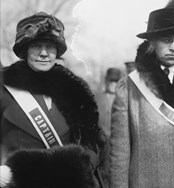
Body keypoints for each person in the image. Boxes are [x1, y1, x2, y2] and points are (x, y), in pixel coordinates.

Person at [0, 12, 109, 188]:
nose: (44, 53)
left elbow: (94, 142)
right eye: (36, 46)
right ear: (25, 50)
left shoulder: (77, 91)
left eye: (50, 46)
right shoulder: (4, 88)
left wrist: (81, 167)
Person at [109, 0, 174, 187]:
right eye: (166, 40)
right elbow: (120, 152)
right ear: (152, 43)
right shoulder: (130, 86)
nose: (173, 47)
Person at [96, 67, 122, 136]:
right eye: (111, 80)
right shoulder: (97, 97)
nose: (113, 83)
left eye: (116, 81)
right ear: (106, 80)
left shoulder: (123, 100)